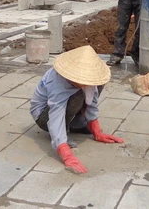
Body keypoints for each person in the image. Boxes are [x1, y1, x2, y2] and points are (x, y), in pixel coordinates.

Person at [30, 46, 124, 174]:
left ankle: (78, 123)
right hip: (44, 116)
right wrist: (64, 150)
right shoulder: (57, 80)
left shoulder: (89, 80)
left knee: (97, 83)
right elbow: (56, 113)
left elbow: (92, 98)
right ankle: (64, 130)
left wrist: (96, 130)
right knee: (78, 94)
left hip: (64, 111)